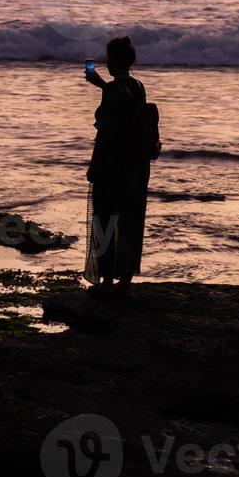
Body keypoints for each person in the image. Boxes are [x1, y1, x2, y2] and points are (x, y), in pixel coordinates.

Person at [83, 36, 158, 291]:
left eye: (109, 58)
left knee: (105, 219)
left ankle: (105, 279)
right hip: (136, 166)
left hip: (114, 165)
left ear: (115, 61)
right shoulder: (139, 85)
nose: (107, 63)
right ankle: (125, 278)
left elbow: (106, 130)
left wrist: (95, 166)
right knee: (131, 220)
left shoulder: (112, 90)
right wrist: (103, 86)